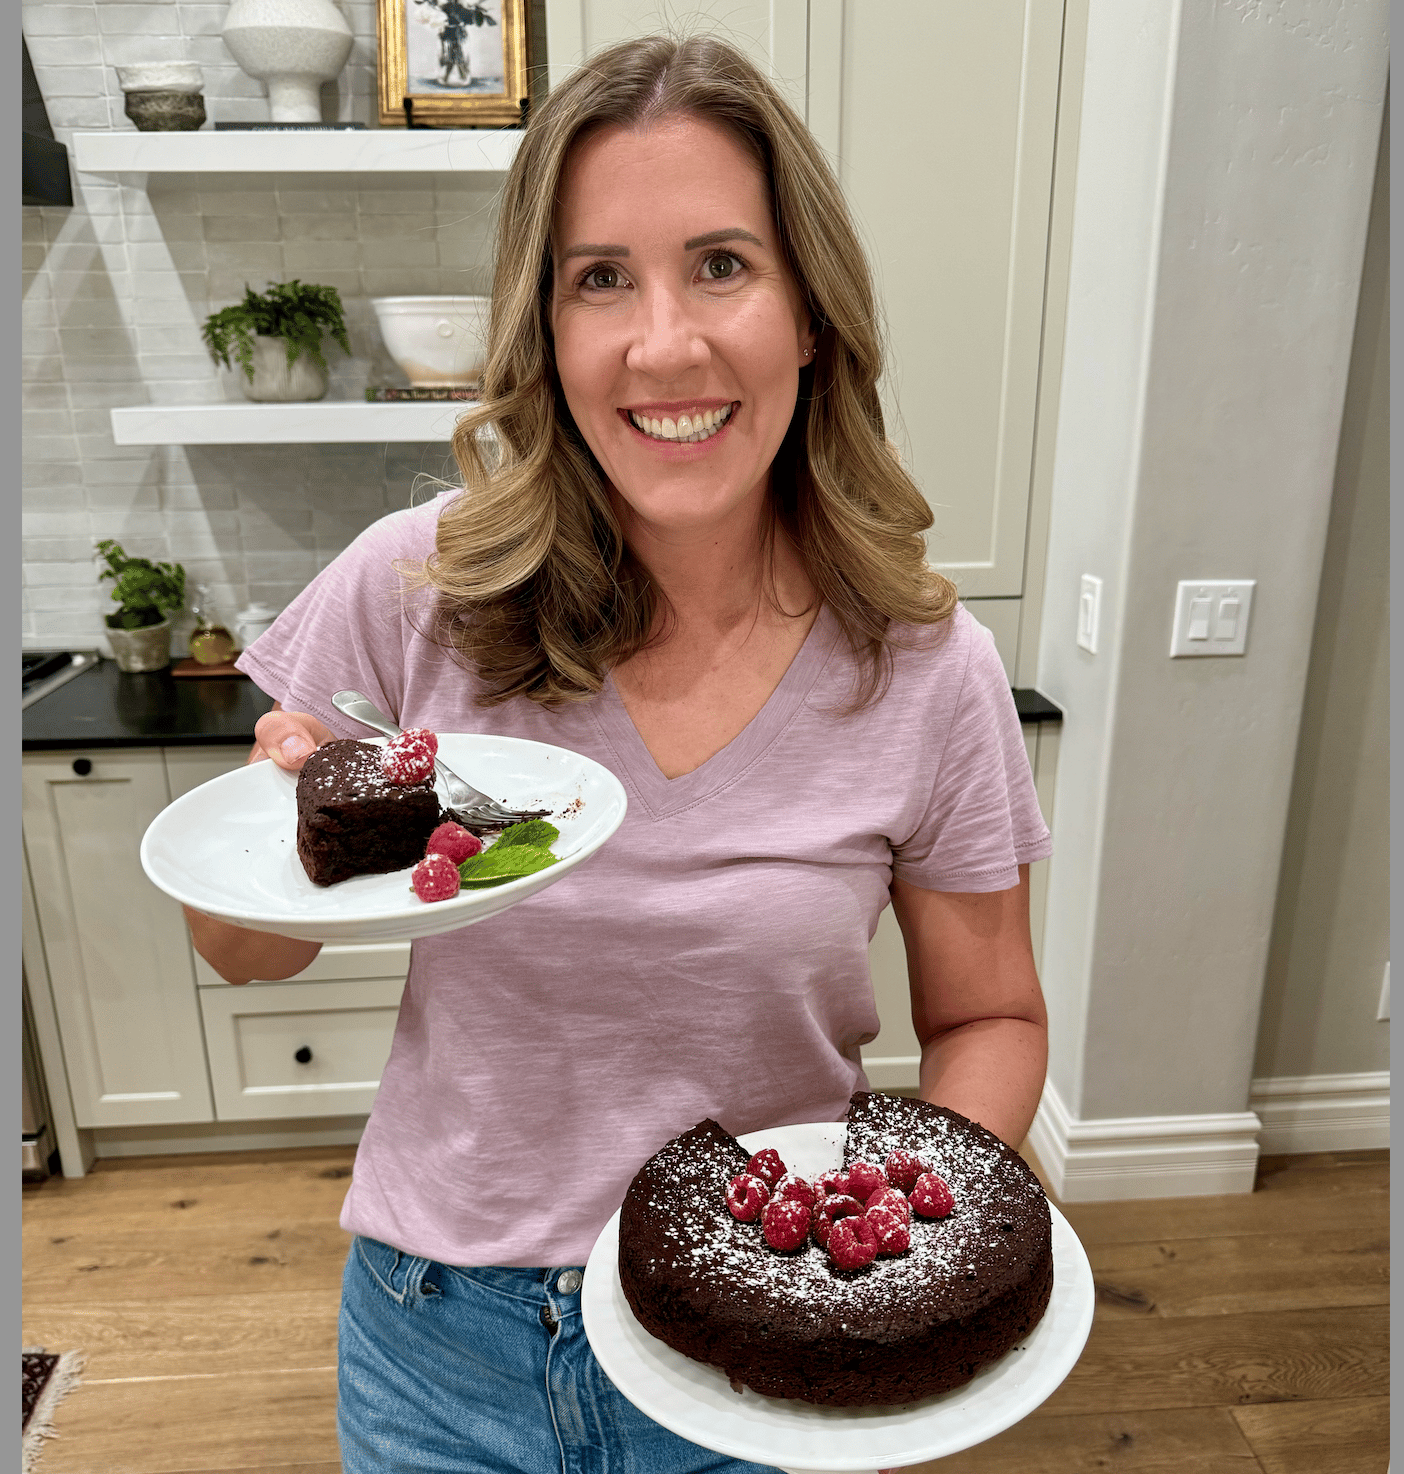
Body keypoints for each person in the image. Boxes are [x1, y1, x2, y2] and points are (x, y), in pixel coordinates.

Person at [186, 33, 1051, 1474]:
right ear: (547, 329)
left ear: (811, 317)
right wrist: (269, 830)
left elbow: (991, 1021)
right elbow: (239, 949)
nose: (666, 342)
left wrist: (898, 1251)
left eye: (722, 264)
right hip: (437, 1338)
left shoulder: (923, 665)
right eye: (602, 278)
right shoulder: (419, 589)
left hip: (763, 1354)